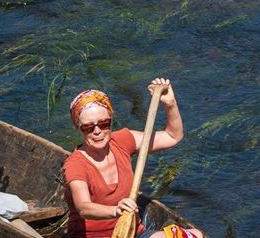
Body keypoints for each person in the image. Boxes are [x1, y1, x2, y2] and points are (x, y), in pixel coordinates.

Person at [63, 80, 204, 238]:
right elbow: (84, 208)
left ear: (110, 121)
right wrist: (115, 210)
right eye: (88, 127)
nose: (97, 131)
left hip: (133, 233)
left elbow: (173, 136)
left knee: (195, 235)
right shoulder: (75, 165)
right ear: (78, 128)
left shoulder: (122, 140)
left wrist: (170, 104)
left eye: (104, 124)